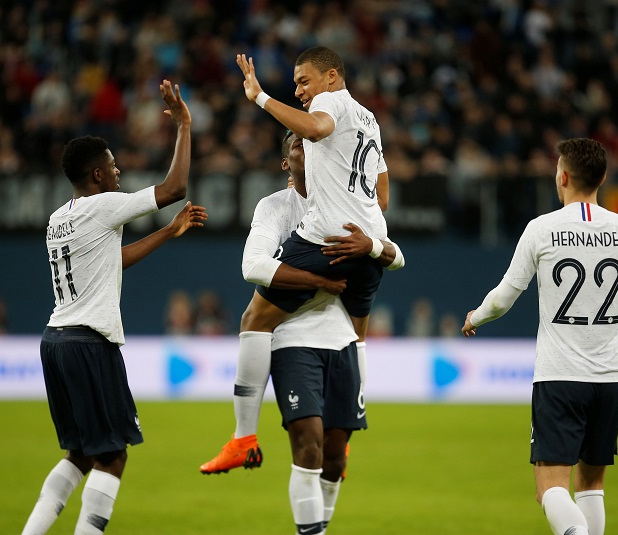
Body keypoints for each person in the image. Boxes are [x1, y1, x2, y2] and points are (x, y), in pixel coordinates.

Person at [460, 138, 618, 535]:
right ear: (604, 178)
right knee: (591, 485)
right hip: (610, 379)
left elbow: (505, 299)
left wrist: (476, 316)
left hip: (560, 376)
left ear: (562, 176)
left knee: (549, 488)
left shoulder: (541, 229)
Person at [21, 79, 207, 535]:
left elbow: (113, 260)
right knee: (113, 455)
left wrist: (167, 232)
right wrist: (184, 125)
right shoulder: (101, 206)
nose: (119, 172)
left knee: (81, 454)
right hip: (88, 343)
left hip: (56, 341)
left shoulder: (59, 219)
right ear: (98, 177)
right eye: (113, 167)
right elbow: (175, 186)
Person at [207, 46, 392, 472]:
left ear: (331, 76)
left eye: (303, 81)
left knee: (255, 319)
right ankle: (343, 438)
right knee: (356, 336)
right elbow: (381, 195)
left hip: (325, 238)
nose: (299, 90)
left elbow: (314, 127)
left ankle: (243, 439)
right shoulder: (369, 119)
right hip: (366, 244)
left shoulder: (330, 103)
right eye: (294, 84)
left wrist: (259, 96)